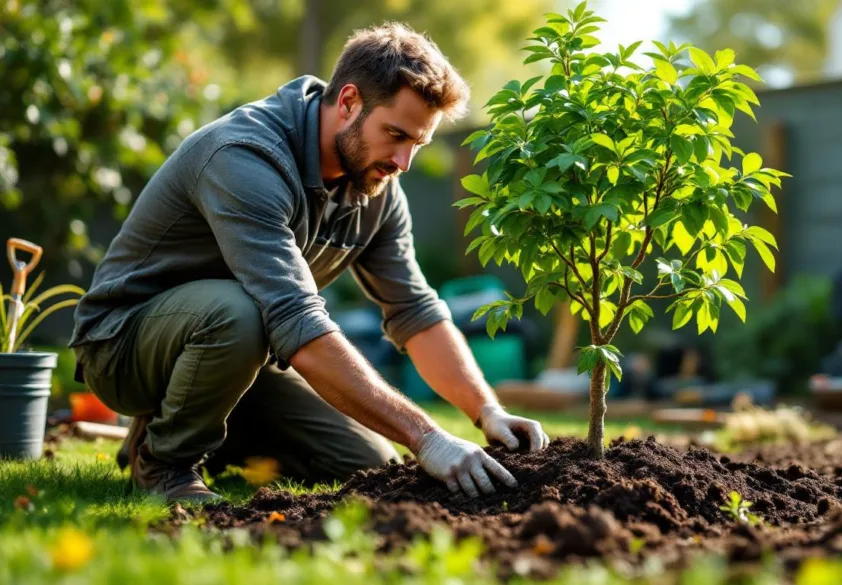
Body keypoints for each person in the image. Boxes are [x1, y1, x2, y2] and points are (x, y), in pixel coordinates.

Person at [69, 22, 549, 504]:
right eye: (396, 135)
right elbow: (296, 320)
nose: (404, 162)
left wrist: (486, 411)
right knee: (238, 309)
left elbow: (414, 310)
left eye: (417, 145)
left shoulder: (376, 184)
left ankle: (184, 430)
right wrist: (427, 435)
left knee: (371, 465)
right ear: (347, 102)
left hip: (243, 353)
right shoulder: (246, 157)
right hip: (124, 343)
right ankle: (164, 465)